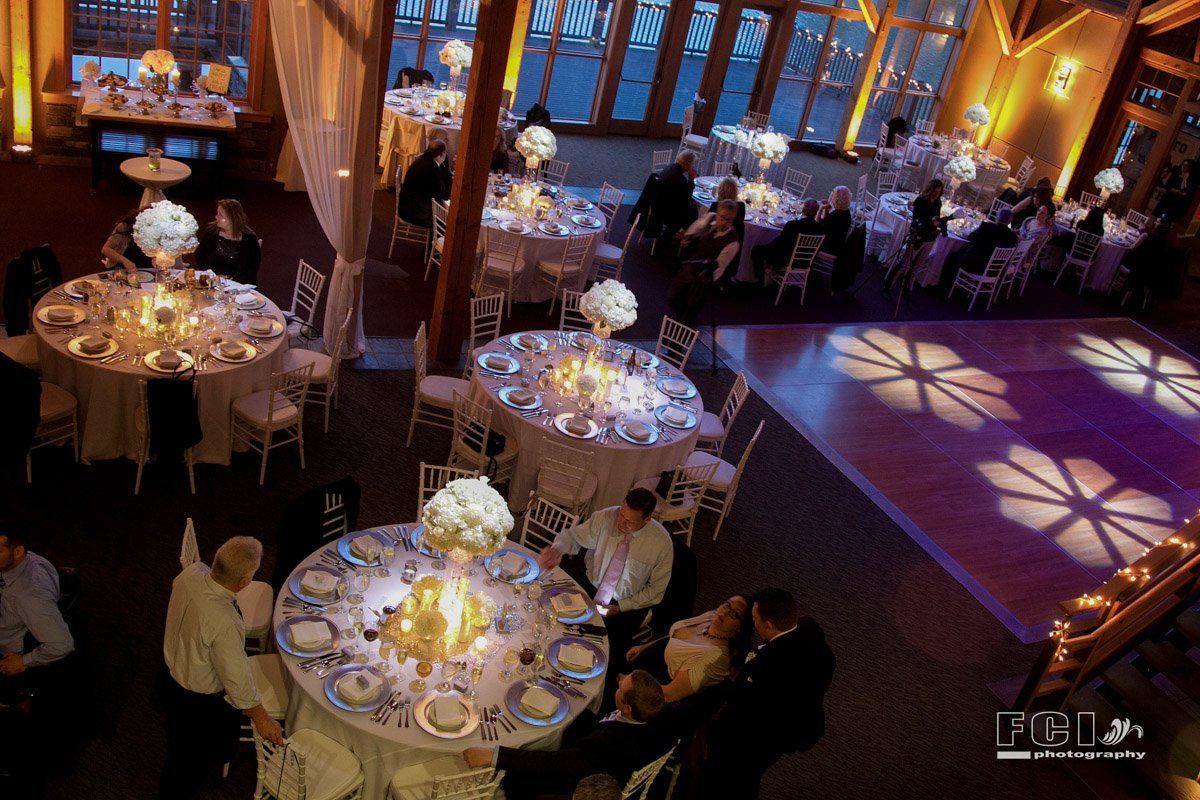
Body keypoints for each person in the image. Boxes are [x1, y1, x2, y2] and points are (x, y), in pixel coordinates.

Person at [158, 536, 284, 800]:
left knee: (179, 748)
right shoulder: (224, 622)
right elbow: (235, 677)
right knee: (187, 764)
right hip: (196, 702)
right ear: (244, 582)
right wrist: (261, 717)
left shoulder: (191, 573)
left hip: (170, 674)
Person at [697, 589, 834, 799]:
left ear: (768, 625)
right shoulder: (809, 628)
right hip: (802, 716)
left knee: (733, 777)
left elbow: (744, 704)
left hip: (766, 733)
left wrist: (731, 682)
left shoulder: (766, 667)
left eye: (754, 619)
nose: (753, 622)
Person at [462, 670, 672, 799]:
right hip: (592, 757)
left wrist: (493, 756)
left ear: (626, 708)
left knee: (513, 770)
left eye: (622, 686)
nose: (620, 679)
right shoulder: (651, 714)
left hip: (571, 787)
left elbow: (552, 763)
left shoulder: (608, 746)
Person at [537, 489, 672, 661]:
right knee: (556, 628)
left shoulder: (661, 544)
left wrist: (622, 606)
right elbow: (574, 537)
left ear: (647, 519)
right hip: (589, 586)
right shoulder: (607, 517)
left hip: (625, 605)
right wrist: (557, 550)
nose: (621, 523)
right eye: (622, 514)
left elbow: (656, 591)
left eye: (629, 521)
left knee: (603, 655)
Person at [625, 595, 751, 701]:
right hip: (641, 664)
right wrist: (645, 646)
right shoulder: (712, 617)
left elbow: (669, 694)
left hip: (647, 689)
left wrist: (630, 684)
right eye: (727, 605)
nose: (725, 612)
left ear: (740, 628)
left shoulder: (716, 656)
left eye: (734, 614)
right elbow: (674, 635)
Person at [0, 528, 74, 700]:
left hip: (10, 639)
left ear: (18, 552)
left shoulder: (29, 598)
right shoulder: (20, 560)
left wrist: (23, 662)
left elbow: (63, 644)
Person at [667, 199, 740, 326]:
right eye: (722, 217)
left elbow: (720, 267)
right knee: (674, 299)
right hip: (689, 270)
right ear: (717, 213)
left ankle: (678, 340)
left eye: (729, 220)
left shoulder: (732, 242)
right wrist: (687, 237)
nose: (724, 222)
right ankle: (678, 328)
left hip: (702, 281)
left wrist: (705, 279)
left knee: (689, 313)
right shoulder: (710, 219)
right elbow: (696, 228)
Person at [750, 198, 823, 283]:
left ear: (803, 209)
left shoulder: (792, 225)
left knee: (757, 250)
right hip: (805, 262)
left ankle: (759, 281)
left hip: (785, 260)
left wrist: (767, 246)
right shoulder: (821, 229)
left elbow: (780, 243)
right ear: (816, 212)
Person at [193, 199, 261, 285]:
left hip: (239, 284)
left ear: (232, 218)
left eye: (220, 215)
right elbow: (200, 258)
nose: (216, 217)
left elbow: (252, 268)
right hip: (212, 280)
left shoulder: (249, 238)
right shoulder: (212, 232)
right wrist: (213, 276)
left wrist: (231, 281)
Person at [944, 207, 1018, 281]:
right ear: (1010, 220)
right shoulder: (1013, 237)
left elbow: (970, 237)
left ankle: (946, 283)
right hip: (994, 272)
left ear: (997, 217)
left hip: (974, 266)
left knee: (952, 255)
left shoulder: (986, 227)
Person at [397, 139, 451, 229]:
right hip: (413, 212)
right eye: (445, 153)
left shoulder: (425, 158)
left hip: (408, 205)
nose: (446, 155)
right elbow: (444, 195)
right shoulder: (431, 168)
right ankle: (435, 242)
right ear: (439, 155)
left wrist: (445, 164)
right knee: (447, 222)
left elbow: (442, 181)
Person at [654, 151, 699, 249]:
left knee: (693, 207)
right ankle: (674, 238)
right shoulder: (680, 179)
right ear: (688, 164)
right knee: (694, 213)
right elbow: (686, 202)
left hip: (657, 204)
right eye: (692, 163)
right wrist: (691, 180)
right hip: (665, 212)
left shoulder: (669, 168)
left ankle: (677, 235)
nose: (693, 166)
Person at [100, 209, 153, 273]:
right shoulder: (125, 226)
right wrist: (125, 261)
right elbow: (105, 249)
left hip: (147, 272)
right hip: (121, 270)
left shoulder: (158, 231)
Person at [816, 185, 853, 257]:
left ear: (837, 199)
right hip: (837, 245)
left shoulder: (836, 215)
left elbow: (816, 226)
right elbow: (826, 223)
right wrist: (826, 209)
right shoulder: (846, 212)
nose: (831, 197)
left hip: (829, 248)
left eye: (833, 195)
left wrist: (820, 210)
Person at [707, 177, 746, 242]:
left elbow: (707, 226)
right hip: (735, 243)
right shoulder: (741, 206)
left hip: (717, 243)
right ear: (735, 192)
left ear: (720, 191)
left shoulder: (715, 205)